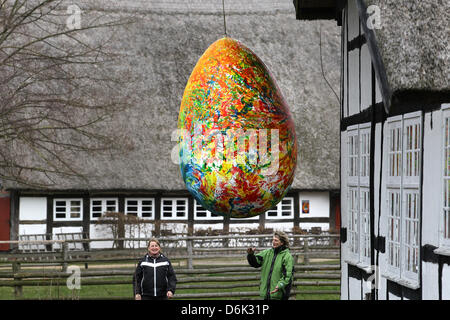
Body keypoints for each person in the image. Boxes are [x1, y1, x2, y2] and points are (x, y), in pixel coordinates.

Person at [247, 231, 294, 300]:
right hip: (265, 294)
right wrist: (251, 255)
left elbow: (287, 275)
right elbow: (255, 263)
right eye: (273, 240)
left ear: (282, 242)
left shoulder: (287, 256)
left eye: (276, 240)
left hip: (279, 295)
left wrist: (280, 285)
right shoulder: (267, 253)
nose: (273, 242)